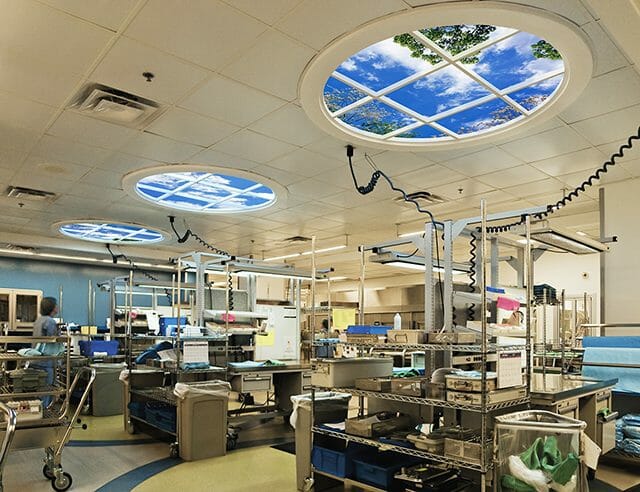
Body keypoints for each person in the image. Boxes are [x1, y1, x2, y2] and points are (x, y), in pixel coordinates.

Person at [31, 297, 63, 407]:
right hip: (46, 361)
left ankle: (39, 412)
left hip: (35, 359)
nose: (57, 307)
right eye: (56, 305)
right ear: (52, 308)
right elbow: (53, 340)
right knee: (47, 389)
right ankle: (44, 413)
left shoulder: (39, 320)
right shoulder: (50, 321)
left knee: (40, 389)